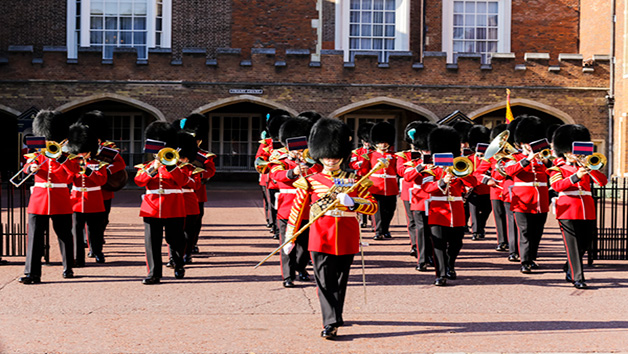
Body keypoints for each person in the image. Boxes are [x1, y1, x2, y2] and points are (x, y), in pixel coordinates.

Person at [285, 117, 377, 339]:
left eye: (335, 155)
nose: (331, 159)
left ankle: (337, 313)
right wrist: (290, 237)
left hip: (346, 234)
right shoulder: (310, 180)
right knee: (324, 280)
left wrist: (353, 203)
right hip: (320, 235)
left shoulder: (354, 179)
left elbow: (372, 207)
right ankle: (330, 321)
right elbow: (298, 208)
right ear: (319, 154)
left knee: (340, 278)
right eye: (327, 155)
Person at [19, 110, 81, 284]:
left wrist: (61, 158)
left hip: (60, 199)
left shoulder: (68, 158)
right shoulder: (38, 155)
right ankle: (32, 273)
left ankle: (68, 267)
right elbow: (26, 167)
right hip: (39, 200)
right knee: (34, 237)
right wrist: (30, 169)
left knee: (64, 235)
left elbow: (72, 175)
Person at [548, 124, 607, 289]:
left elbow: (602, 182)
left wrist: (590, 169)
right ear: (566, 152)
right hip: (567, 209)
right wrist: (575, 176)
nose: (577, 154)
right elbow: (558, 186)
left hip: (587, 210)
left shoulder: (587, 167)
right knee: (572, 245)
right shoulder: (557, 168)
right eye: (573, 151)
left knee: (585, 243)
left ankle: (569, 267)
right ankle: (578, 278)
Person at [421, 126, 477, 286]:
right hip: (437, 212)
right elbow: (426, 188)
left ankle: (450, 264)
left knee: (456, 243)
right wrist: (442, 181)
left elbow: (473, 182)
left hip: (457, 211)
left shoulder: (460, 166)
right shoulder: (430, 170)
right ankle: (441, 274)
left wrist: (461, 174)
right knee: (438, 245)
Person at [268, 117, 320, 287]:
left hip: (306, 207)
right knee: (287, 242)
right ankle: (288, 276)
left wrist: (308, 165)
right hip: (287, 208)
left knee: (304, 245)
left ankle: (301, 268)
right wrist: (293, 171)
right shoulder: (280, 159)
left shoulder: (310, 160)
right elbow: (276, 176)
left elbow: (319, 174)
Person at [135, 122, 187, 284]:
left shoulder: (178, 166)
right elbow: (139, 180)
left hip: (173, 206)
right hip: (152, 207)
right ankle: (154, 273)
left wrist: (170, 167)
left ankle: (178, 264)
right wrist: (154, 168)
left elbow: (183, 181)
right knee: (152, 242)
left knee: (175, 239)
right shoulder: (147, 166)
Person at [503, 116, 550, 274]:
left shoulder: (543, 159)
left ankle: (531, 257)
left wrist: (544, 160)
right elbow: (509, 171)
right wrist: (527, 160)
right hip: (522, 200)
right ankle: (525, 261)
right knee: (524, 231)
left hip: (540, 201)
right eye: (529, 143)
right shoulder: (514, 158)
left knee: (537, 232)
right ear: (522, 143)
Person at [77, 111, 127, 254]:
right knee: (81, 218)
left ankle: (97, 240)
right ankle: (88, 241)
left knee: (102, 220)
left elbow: (120, 164)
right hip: (85, 187)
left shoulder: (108, 148)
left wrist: (106, 170)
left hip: (103, 188)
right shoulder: (80, 147)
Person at [67, 123, 108, 266]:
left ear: (90, 150)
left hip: (94, 200)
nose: (82, 153)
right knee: (76, 230)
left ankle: (97, 252)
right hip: (76, 200)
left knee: (95, 230)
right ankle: (78, 257)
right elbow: (67, 179)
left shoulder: (98, 164)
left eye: (84, 151)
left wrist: (88, 170)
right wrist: (73, 168)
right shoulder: (72, 163)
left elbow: (101, 180)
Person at [402, 121, 437, 271]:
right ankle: (422, 260)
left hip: (436, 199)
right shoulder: (414, 161)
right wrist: (421, 166)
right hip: (420, 199)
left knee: (434, 230)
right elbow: (408, 176)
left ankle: (432, 256)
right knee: (421, 229)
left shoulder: (441, 160)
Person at [359, 121, 398, 240]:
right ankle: (378, 231)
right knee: (378, 211)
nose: (383, 144)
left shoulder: (394, 155)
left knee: (390, 210)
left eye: (385, 142)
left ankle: (385, 229)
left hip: (391, 186)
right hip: (376, 186)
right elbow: (364, 171)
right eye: (380, 142)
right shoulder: (370, 155)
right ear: (376, 143)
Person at [397, 121, 421, 257]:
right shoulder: (402, 155)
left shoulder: (428, 156)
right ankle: (415, 245)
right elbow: (401, 171)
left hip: (425, 191)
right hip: (409, 192)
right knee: (412, 221)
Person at [466, 125, 493, 241]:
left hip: (488, 188)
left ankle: (481, 227)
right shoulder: (469, 159)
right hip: (474, 188)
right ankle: (476, 232)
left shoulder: (490, 158)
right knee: (474, 212)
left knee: (487, 210)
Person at [349, 121, 374, 229]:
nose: (367, 143)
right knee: (361, 198)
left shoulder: (374, 151)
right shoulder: (357, 152)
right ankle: (363, 220)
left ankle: (372, 219)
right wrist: (360, 162)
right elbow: (352, 164)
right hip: (360, 177)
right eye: (366, 141)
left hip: (372, 178)